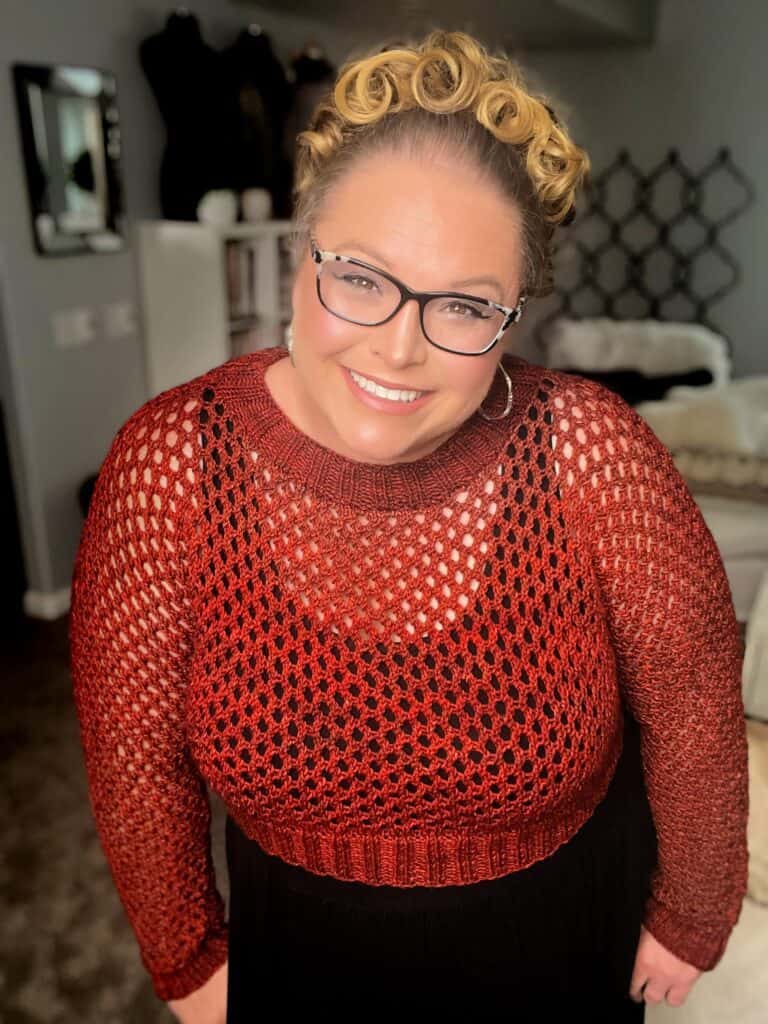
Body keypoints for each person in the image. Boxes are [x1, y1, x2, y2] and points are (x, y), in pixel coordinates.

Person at [68, 29, 749, 1024]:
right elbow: (136, 766)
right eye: (360, 276)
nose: (399, 345)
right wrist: (190, 963)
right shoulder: (174, 466)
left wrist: (691, 913)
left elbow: (693, 706)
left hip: (563, 939)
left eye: (465, 306)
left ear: (514, 315)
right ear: (302, 259)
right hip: (300, 952)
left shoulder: (590, 455)